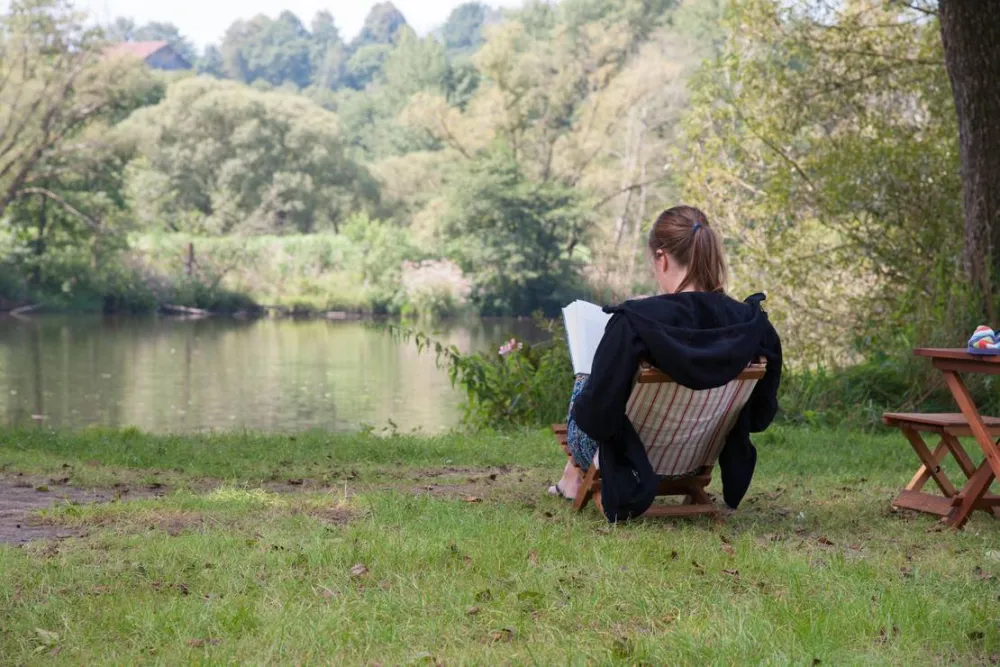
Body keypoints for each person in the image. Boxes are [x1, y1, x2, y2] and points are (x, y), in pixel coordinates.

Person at [549, 205, 783, 522]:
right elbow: (758, 417)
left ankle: (572, 477)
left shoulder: (633, 323)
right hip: (696, 458)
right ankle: (571, 478)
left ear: (662, 258)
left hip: (632, 461)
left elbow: (597, 421)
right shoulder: (752, 324)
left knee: (587, 383)